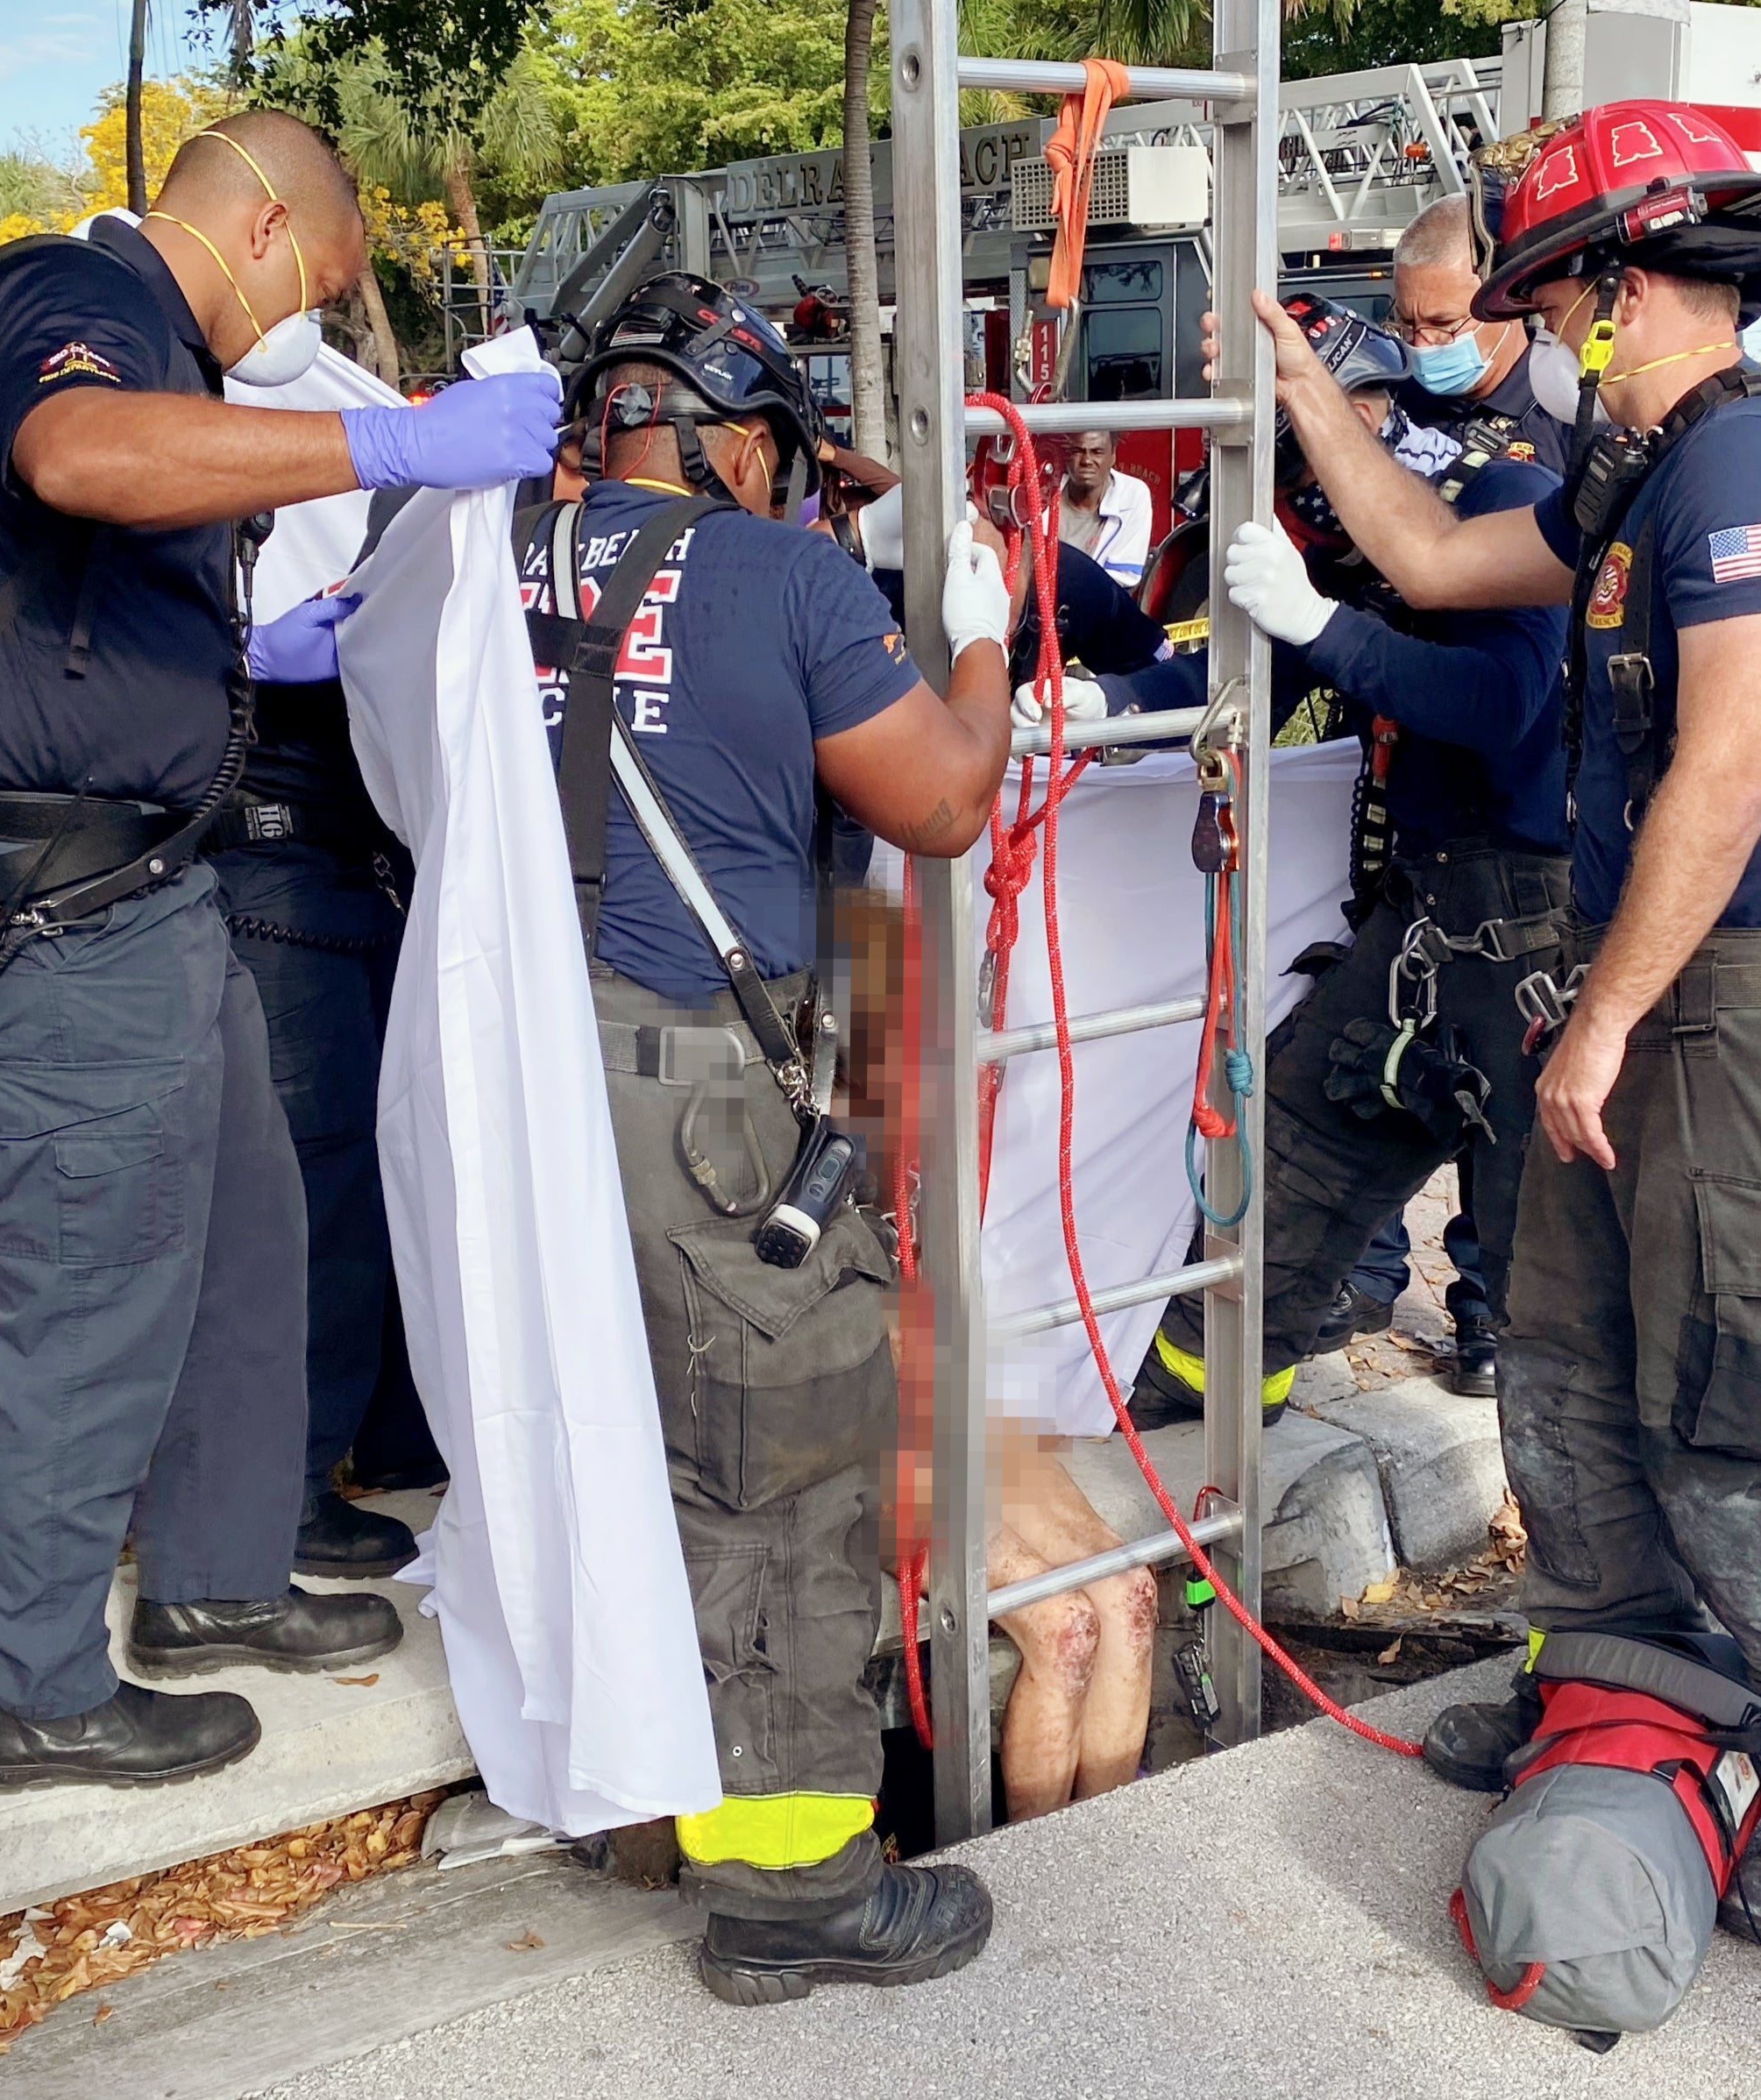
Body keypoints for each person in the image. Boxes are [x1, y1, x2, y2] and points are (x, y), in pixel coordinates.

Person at [1249, 103, 1761, 1959]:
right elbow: (1423, 557)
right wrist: (1298, 378)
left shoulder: (1750, 469)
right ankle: (1617, 1691)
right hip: (1640, 994)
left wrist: (1598, 1022)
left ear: (1626, 288)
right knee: (1568, 1370)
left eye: (1557, 300)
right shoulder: (1633, 476)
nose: (1543, 335)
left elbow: (1725, 774)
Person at [0, 110, 560, 1790]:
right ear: (259, 229)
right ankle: (34, 1686)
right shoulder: (81, 294)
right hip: (62, 913)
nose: (304, 333)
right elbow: (83, 460)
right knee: (92, 1300)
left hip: (160, 888)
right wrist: (393, 449)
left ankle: (213, 1580)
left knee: (253, 1245)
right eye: (320, 285)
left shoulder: (142, 325)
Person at [522, 272, 1007, 2002]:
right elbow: (941, 799)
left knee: (620, 1441)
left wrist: (795, 514)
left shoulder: (501, 553)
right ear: (739, 446)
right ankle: (792, 1886)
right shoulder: (788, 572)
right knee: (779, 1466)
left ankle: (629, 1793)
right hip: (702, 1100)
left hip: (523, 1076)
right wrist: (979, 638)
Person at [1134, 297, 1567, 1430]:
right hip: (1420, 916)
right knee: (1281, 1175)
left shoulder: (1497, 493)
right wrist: (1097, 705)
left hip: (1534, 930)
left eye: (1305, 472)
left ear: (1360, 415)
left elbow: (1499, 703)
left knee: (1550, 1287)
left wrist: (1323, 624)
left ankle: (1592, 1591)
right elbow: (1242, 687)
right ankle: (1206, 1420)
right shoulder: (1359, 543)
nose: (1309, 514)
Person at [204, 463, 432, 1576]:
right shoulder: (388, 568)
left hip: (344, 883)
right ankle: (283, 1487)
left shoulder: (415, 554)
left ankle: (385, 1433)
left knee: (382, 1172)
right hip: (284, 881)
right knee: (321, 1187)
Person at [1389, 192, 1574, 477]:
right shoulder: (1396, 400)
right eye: (1407, 323)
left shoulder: (1571, 410)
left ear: (1503, 302)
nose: (1421, 344)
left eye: (1443, 324)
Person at [1053, 429, 1154, 587]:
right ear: (1066, 456)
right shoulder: (1044, 494)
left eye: (1097, 452)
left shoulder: (1132, 494)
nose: (1087, 460)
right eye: (1078, 451)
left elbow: (1125, 576)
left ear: (1113, 455)